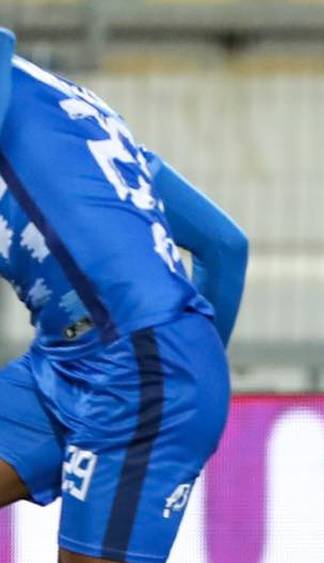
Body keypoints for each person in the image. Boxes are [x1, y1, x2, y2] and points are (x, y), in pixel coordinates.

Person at [0, 29, 248, 562]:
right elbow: (224, 245)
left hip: (142, 367)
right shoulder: (68, 120)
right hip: (68, 362)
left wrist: (169, 389)